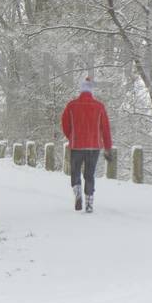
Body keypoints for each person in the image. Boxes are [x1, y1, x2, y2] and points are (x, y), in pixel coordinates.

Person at [60, 76, 113, 213]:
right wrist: (107, 147)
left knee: (75, 171)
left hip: (77, 145)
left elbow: (65, 124)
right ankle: (89, 203)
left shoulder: (71, 106)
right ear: (91, 91)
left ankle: (77, 193)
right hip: (93, 146)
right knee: (90, 174)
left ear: (81, 90)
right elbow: (106, 128)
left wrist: (71, 136)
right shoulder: (99, 107)